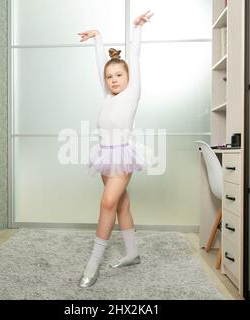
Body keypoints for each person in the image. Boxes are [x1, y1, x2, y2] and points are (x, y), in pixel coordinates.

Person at [77, 10, 155, 288]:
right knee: (122, 204)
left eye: (118, 75)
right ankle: (132, 253)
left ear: (128, 76)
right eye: (109, 76)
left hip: (122, 154)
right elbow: (102, 65)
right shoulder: (108, 95)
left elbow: (134, 56)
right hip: (104, 155)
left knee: (108, 202)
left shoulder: (133, 92)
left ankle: (92, 265)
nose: (113, 79)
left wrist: (137, 28)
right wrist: (98, 37)